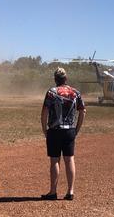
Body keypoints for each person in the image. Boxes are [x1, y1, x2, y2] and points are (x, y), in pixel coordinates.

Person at [41, 67, 86, 201]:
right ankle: (70, 191)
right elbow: (83, 111)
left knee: (55, 160)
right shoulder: (75, 92)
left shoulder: (51, 92)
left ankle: (53, 192)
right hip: (69, 131)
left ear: (55, 79)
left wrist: (45, 130)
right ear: (66, 78)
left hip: (54, 131)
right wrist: (77, 128)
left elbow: (44, 113)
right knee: (69, 159)